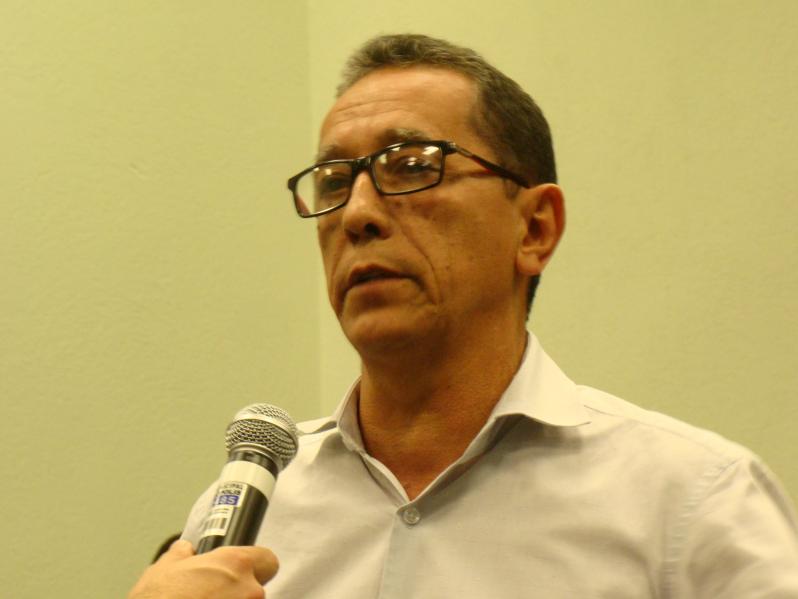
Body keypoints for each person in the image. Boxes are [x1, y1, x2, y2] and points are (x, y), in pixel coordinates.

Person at [129, 33, 798, 598]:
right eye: (333, 180)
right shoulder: (251, 510)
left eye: (410, 166)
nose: (357, 213)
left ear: (534, 228)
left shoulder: (693, 502)